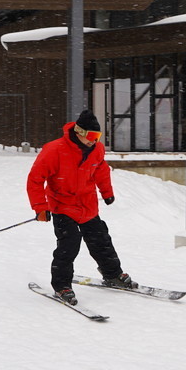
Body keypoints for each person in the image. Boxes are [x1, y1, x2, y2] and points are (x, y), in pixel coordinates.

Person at [27, 109, 135, 305]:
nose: (94, 141)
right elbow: (35, 180)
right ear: (79, 132)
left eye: (98, 136)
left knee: (101, 239)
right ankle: (62, 286)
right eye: (91, 136)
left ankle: (113, 275)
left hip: (87, 205)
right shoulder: (54, 150)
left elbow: (101, 171)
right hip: (62, 206)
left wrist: (107, 193)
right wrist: (40, 207)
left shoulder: (97, 150)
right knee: (69, 244)